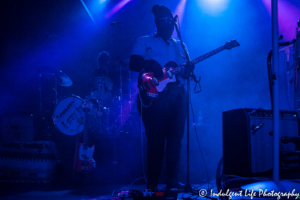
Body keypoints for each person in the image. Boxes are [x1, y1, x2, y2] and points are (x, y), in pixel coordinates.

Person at [129, 5, 194, 189]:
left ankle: (173, 181)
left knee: (176, 140)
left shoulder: (180, 44)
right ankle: (153, 182)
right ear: (157, 22)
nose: (169, 24)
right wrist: (151, 63)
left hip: (178, 96)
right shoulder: (144, 40)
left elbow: (184, 70)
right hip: (154, 97)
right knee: (156, 140)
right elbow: (134, 63)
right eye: (164, 20)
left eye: (171, 20)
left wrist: (189, 69)